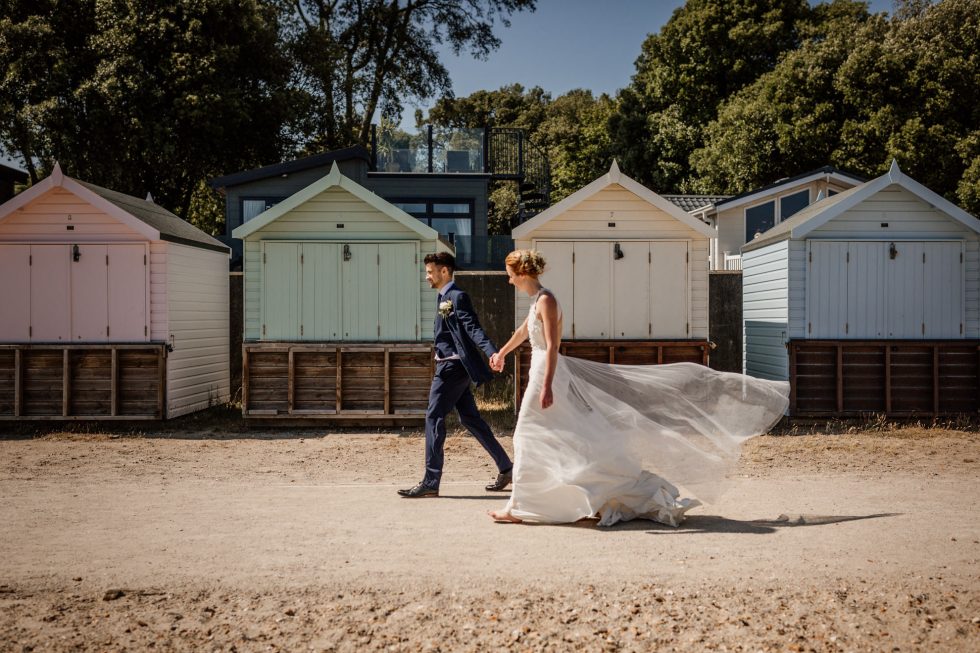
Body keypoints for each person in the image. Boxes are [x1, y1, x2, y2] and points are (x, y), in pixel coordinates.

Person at [487, 249, 789, 525]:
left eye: (510, 274)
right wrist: (501, 353)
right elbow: (523, 331)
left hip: (547, 373)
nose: (509, 280)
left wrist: (547, 386)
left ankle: (518, 506)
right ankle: (571, 495)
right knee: (561, 436)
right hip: (540, 370)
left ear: (522, 273)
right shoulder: (536, 301)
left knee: (526, 435)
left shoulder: (547, 300)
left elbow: (553, 346)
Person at [398, 252, 514, 498]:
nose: (427, 277)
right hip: (451, 366)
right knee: (470, 419)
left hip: (451, 367)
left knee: (434, 417)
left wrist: (492, 352)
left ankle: (431, 481)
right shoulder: (443, 297)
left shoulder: (457, 296)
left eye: (430, 272)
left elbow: (473, 328)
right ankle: (506, 468)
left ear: (444, 271)